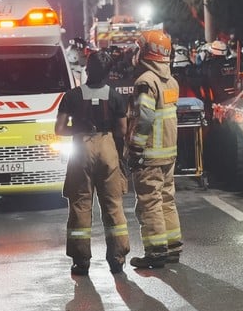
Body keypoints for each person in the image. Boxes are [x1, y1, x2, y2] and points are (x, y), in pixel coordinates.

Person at [55, 51, 130, 276]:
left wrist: (78, 129)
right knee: (113, 205)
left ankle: (81, 261)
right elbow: (123, 130)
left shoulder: (71, 96)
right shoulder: (116, 97)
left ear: (87, 70)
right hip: (107, 147)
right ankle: (117, 259)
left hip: (81, 148)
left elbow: (59, 129)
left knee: (80, 205)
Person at [126, 29, 182, 269]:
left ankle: (156, 252)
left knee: (149, 202)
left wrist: (136, 148)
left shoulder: (145, 82)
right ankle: (172, 248)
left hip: (150, 155)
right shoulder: (171, 81)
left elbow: (145, 118)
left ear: (148, 52)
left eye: (139, 49)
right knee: (167, 200)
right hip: (169, 152)